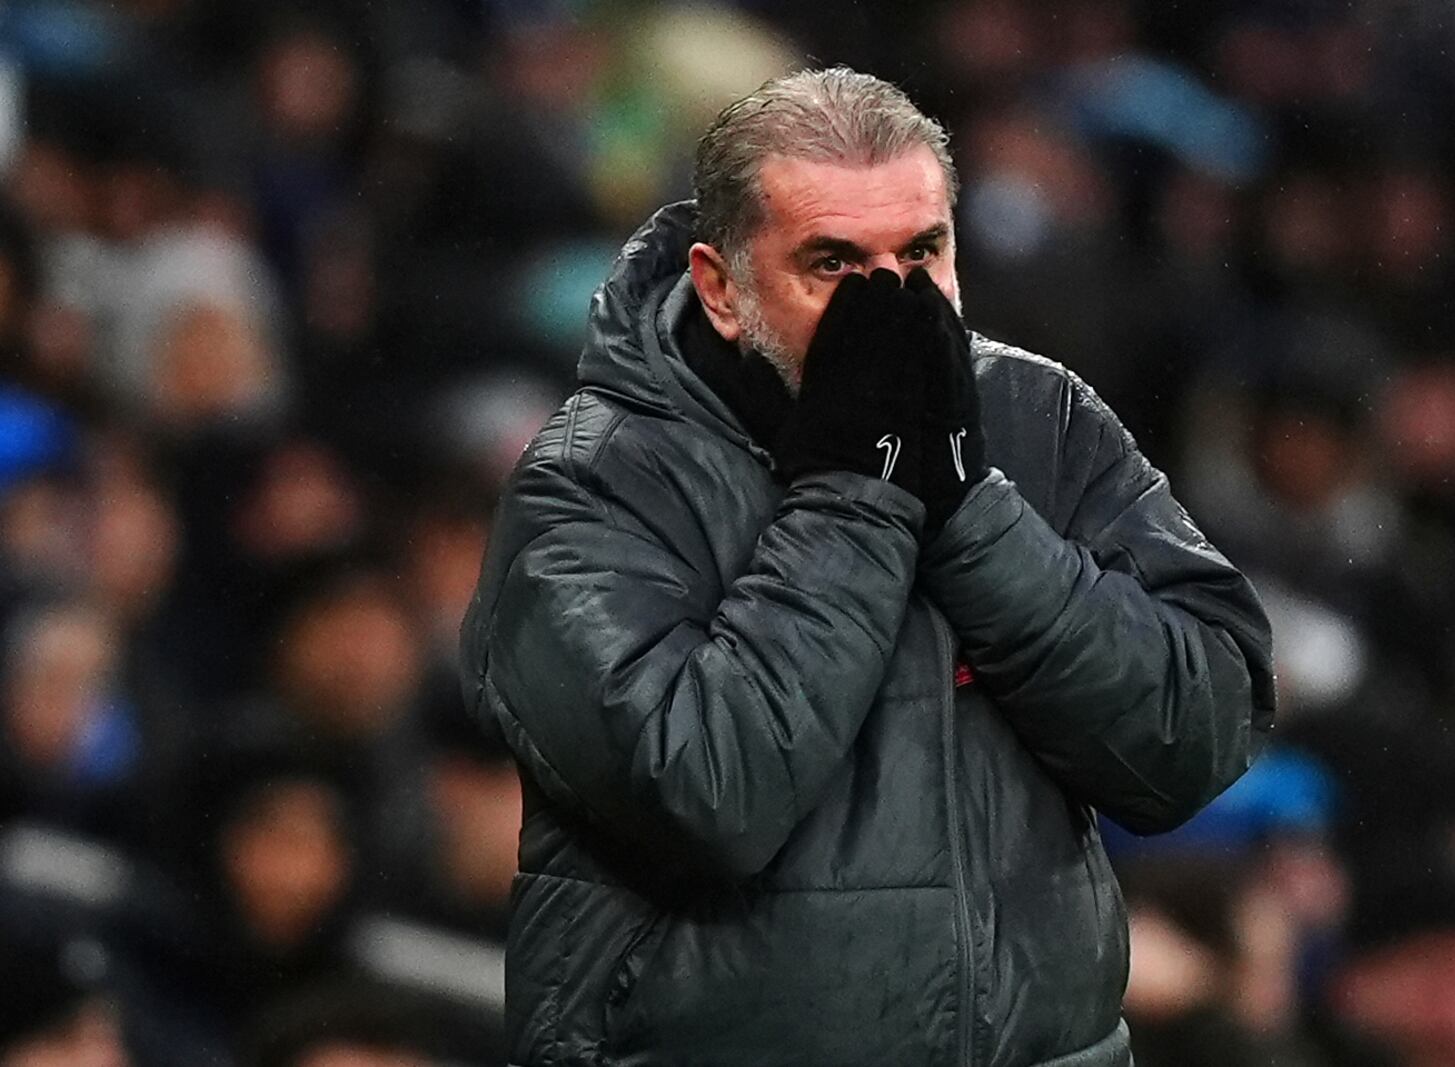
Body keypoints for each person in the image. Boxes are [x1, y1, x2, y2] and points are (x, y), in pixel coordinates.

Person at [460, 66, 1275, 1067]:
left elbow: (1197, 736)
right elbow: (707, 795)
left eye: (921, 251)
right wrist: (861, 489)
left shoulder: (1037, 415)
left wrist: (970, 510)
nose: (888, 304)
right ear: (722, 286)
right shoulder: (593, 484)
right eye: (835, 263)